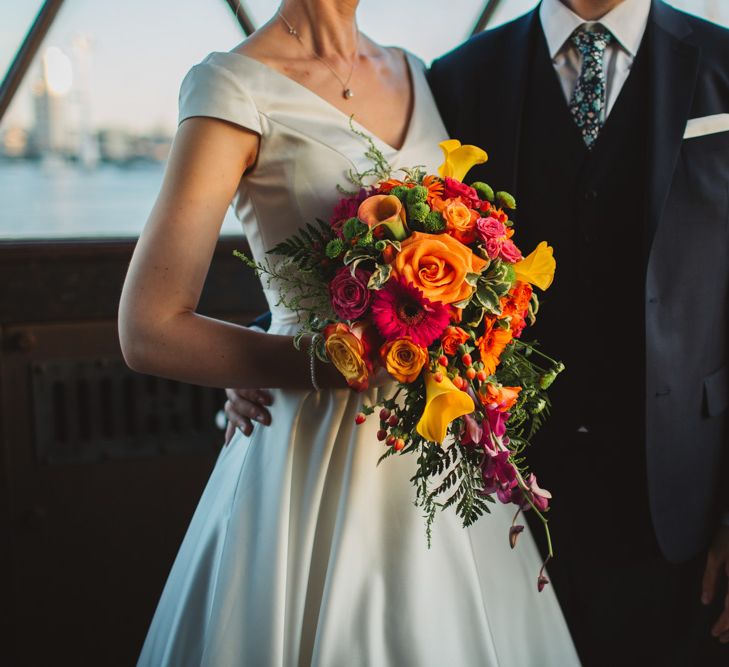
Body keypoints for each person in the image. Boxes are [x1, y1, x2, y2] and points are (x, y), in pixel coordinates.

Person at [228, 0, 729, 664]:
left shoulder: (721, 62)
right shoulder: (459, 77)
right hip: (498, 502)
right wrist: (264, 347)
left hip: (684, 504)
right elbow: (399, 223)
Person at [119, 1, 581, 665]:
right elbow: (148, 326)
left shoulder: (415, 73)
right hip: (309, 460)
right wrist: (312, 364)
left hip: (437, 450)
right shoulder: (232, 85)